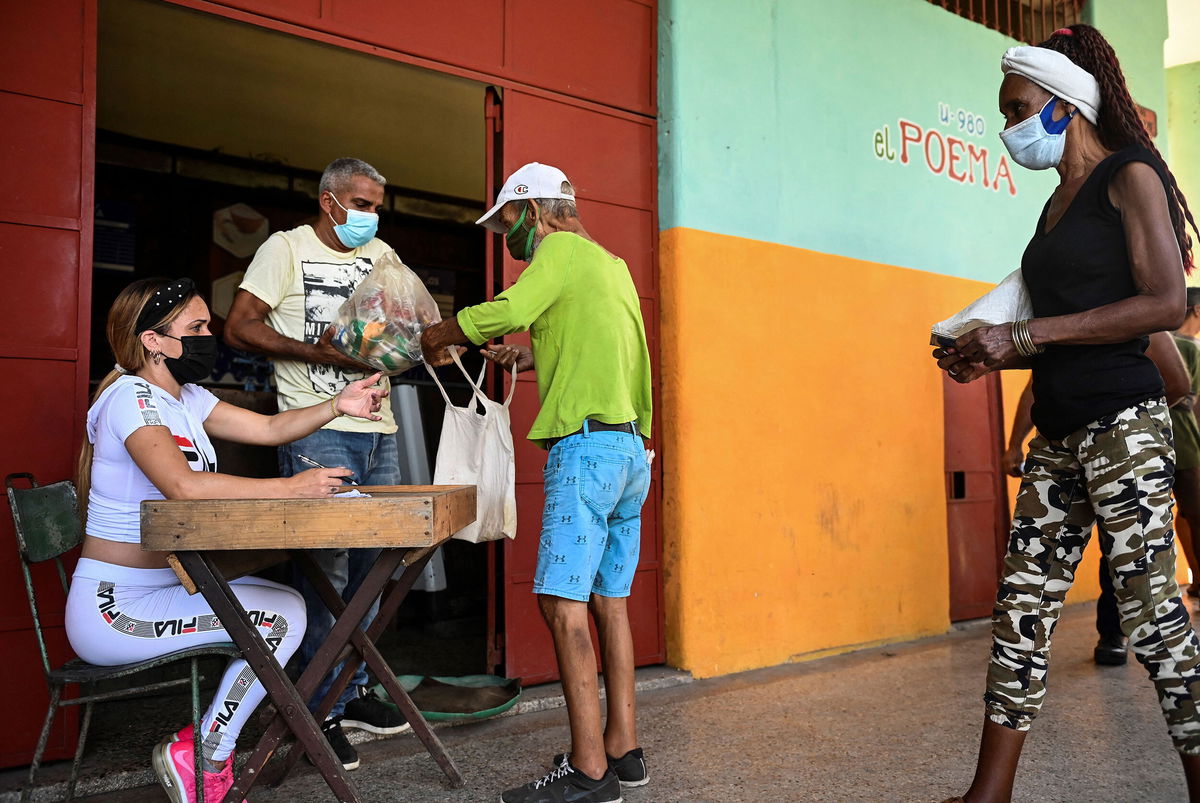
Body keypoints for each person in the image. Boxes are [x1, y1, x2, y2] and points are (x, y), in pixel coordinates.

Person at [933, 25, 1200, 802]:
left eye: (1019, 108)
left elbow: (1162, 302)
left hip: (1124, 427)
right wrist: (990, 353)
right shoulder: (1054, 211)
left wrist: (1021, 331)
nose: (1009, 126)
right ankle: (988, 794)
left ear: (1062, 105)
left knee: (1154, 620)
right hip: (1058, 435)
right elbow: (1060, 333)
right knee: (1020, 613)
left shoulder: (1130, 178)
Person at [68, 277, 388, 802]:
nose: (207, 335)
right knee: (280, 619)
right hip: (113, 609)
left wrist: (338, 405)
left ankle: (204, 749)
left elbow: (267, 430)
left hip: (164, 591)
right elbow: (182, 484)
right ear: (154, 340)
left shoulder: (185, 398)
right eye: (195, 327)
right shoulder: (130, 397)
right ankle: (206, 755)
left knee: (287, 606)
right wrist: (290, 488)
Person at [421, 162, 653, 803]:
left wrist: (439, 335)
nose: (507, 240)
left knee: (560, 603)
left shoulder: (555, 250)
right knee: (611, 601)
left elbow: (510, 308)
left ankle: (587, 771)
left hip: (584, 454)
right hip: (630, 449)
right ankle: (623, 749)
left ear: (532, 210)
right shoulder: (611, 265)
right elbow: (620, 349)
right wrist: (530, 354)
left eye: (506, 225)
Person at [224, 157, 407, 770]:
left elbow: (405, 323)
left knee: (376, 568)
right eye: (360, 202)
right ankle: (314, 711)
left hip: (379, 428)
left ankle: (347, 695)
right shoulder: (284, 249)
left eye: (377, 205)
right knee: (325, 570)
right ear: (328, 200)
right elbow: (239, 327)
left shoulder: (380, 253)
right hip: (316, 425)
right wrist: (317, 352)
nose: (370, 215)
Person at [1001, 333, 1196, 667]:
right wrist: (1015, 443)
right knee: (1100, 547)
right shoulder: (1056, 326)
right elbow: (1036, 386)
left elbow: (1179, 385)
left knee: (1137, 549)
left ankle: (1158, 649)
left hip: (1145, 447)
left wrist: (1136, 420)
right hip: (1075, 450)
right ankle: (1112, 633)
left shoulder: (1146, 320)